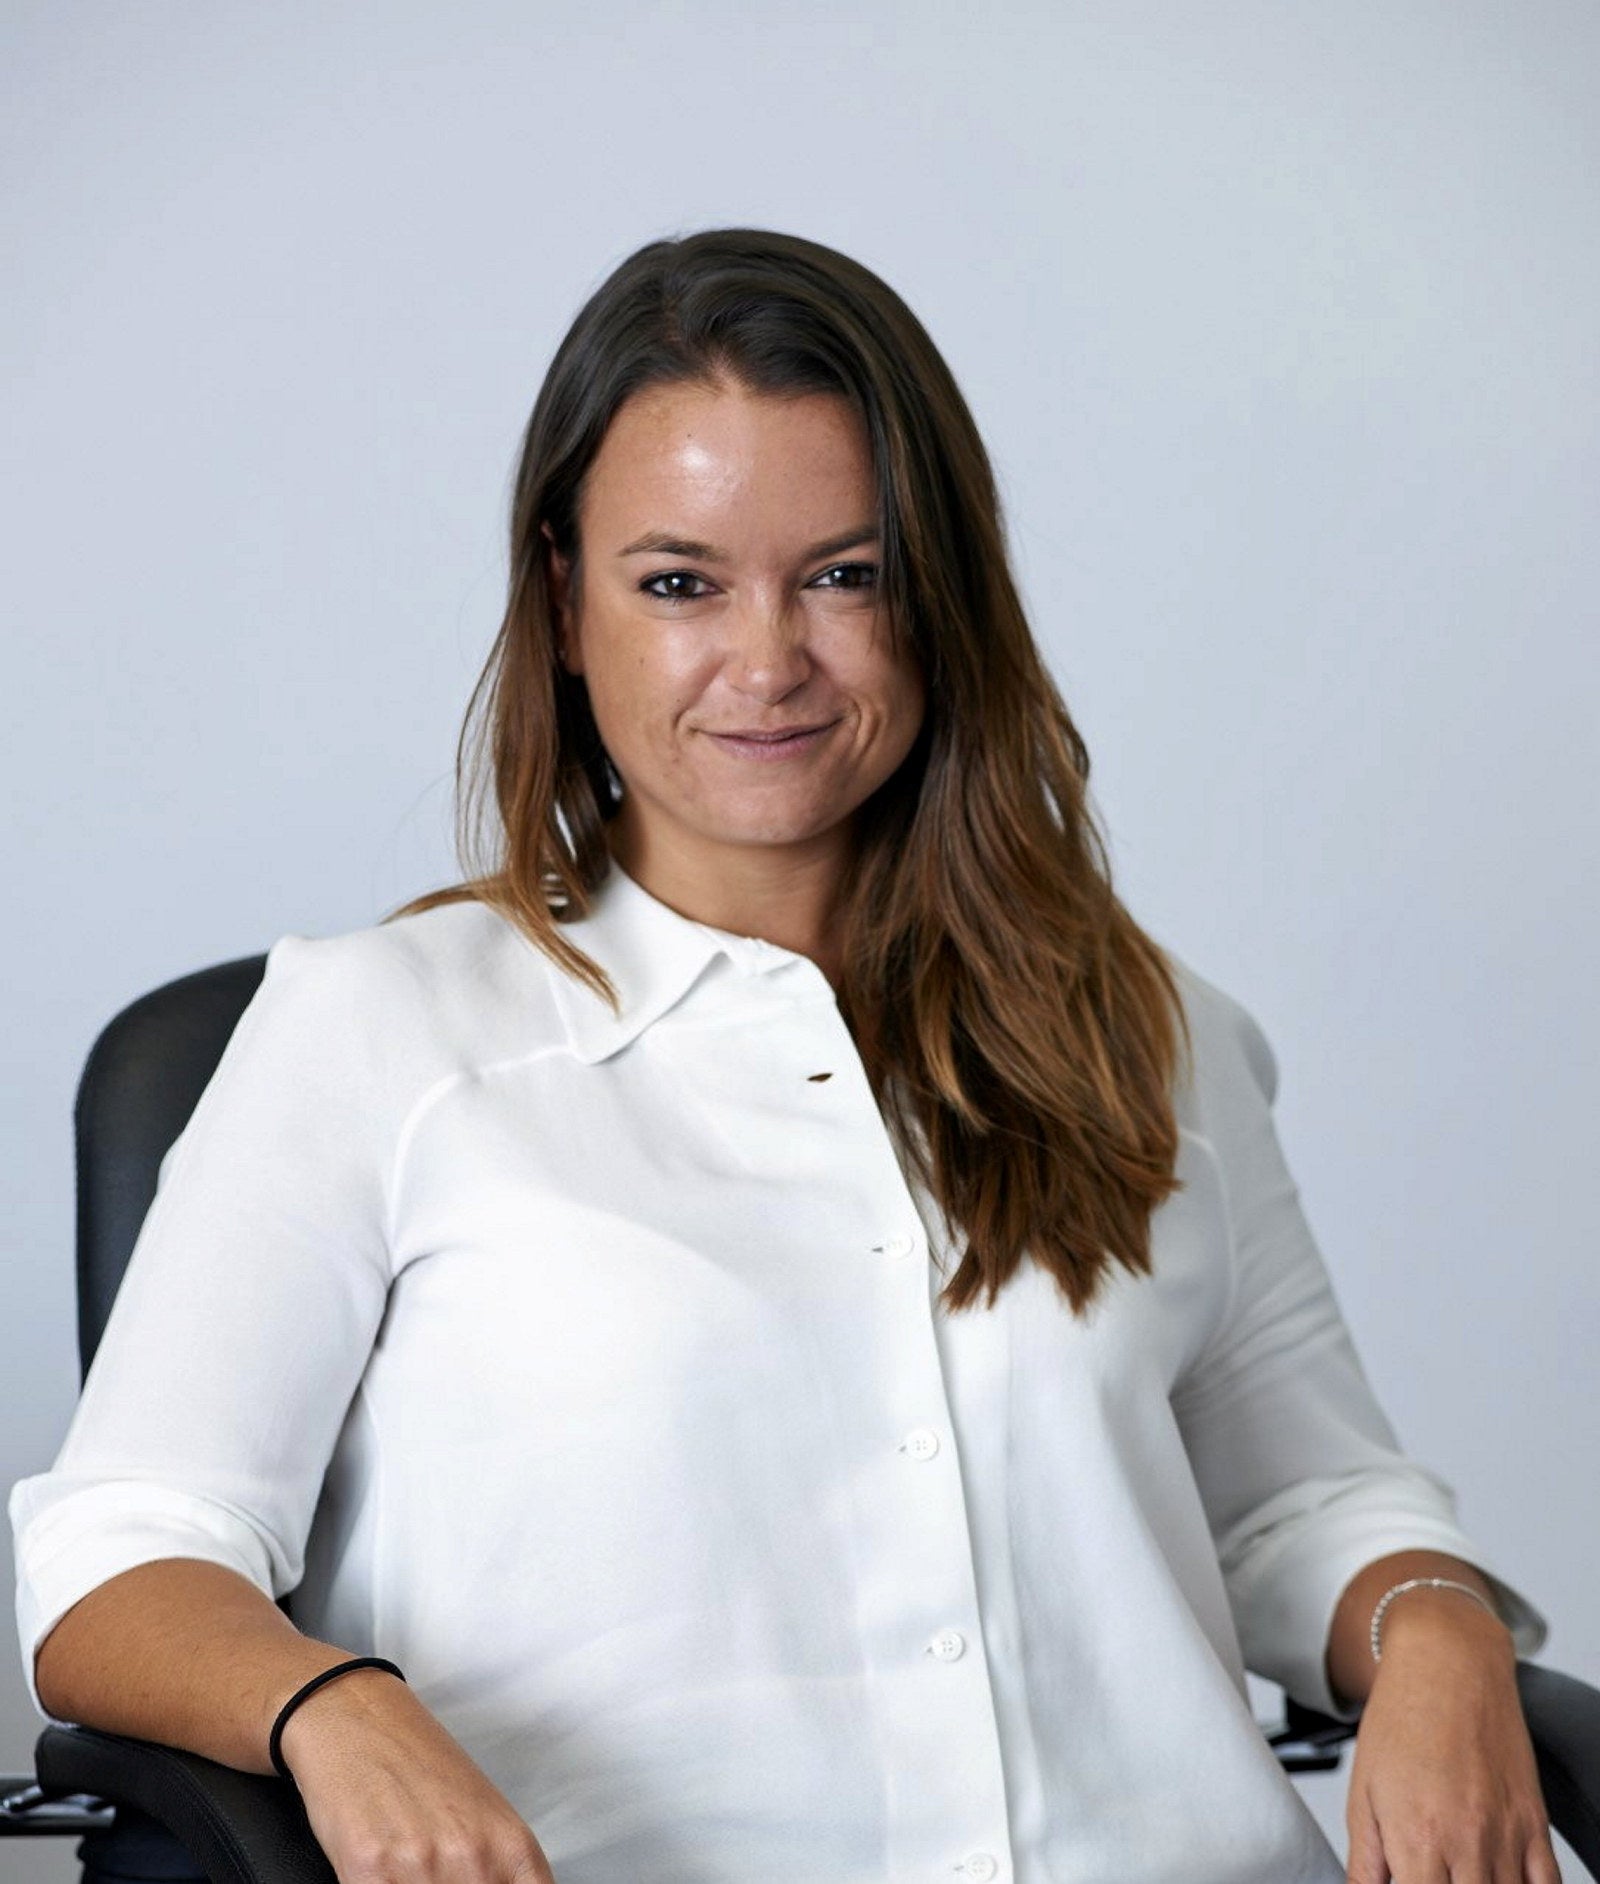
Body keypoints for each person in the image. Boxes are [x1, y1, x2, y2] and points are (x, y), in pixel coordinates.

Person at [11, 228, 1561, 1884]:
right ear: (565, 602)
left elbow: (1308, 1504)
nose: (768, 663)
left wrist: (1438, 1628)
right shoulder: (378, 1036)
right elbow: (122, 1558)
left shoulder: (1144, 1028)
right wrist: (335, 1706)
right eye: (680, 583)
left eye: (847, 575)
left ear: (941, 599)